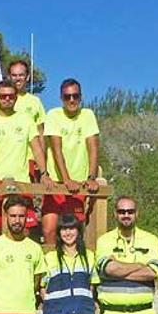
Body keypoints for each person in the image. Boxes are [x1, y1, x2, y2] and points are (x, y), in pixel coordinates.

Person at [0, 79, 50, 243]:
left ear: (16, 98)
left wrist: (44, 173)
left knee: (26, 231)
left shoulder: (26, 120)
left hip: (21, 183)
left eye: (10, 96)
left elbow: (37, 149)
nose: (7, 99)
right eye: (3, 96)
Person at [42, 78, 100, 246]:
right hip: (57, 182)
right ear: (61, 98)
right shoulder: (54, 114)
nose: (72, 100)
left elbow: (93, 147)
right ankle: (51, 267)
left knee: (73, 230)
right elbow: (55, 148)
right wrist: (66, 179)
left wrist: (91, 177)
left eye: (75, 96)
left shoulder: (88, 115)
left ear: (81, 97)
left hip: (80, 183)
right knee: (49, 229)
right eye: (67, 97)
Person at [0, 60, 46, 128]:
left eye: (21, 75)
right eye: (14, 75)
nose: (17, 78)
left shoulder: (35, 101)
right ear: (8, 76)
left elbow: (41, 129)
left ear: (28, 77)